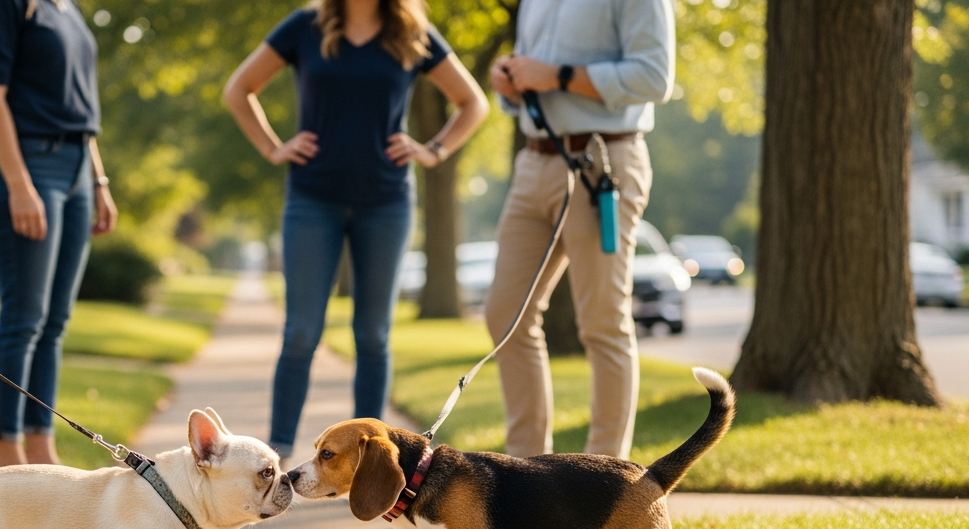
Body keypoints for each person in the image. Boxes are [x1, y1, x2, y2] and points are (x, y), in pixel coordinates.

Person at [224, 0, 488, 459]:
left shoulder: (412, 32)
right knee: (301, 333)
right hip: (312, 198)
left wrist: (434, 149)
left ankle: (369, 456)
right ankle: (279, 452)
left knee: (373, 335)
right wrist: (272, 148)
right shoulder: (305, 27)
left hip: (385, 201)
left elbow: (473, 103)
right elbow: (239, 89)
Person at [486, 0, 674, 459]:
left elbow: (655, 77)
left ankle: (605, 483)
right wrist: (508, 82)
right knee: (505, 314)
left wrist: (558, 75)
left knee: (602, 323)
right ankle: (526, 472)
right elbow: (528, 79)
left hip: (602, 161)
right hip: (533, 161)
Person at [0, 0, 118, 468]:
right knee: (23, 318)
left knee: (54, 324)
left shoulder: (65, 7)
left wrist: (98, 181)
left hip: (75, 168)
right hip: (28, 164)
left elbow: (78, 108)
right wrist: (18, 183)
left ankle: (40, 447)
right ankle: (8, 455)